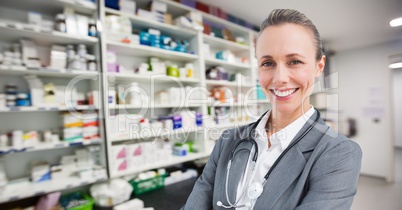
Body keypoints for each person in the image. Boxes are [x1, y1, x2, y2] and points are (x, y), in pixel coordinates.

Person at [181, 9, 362, 210]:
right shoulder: (228, 140)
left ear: (319, 66)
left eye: (294, 61)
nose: (279, 78)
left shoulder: (339, 154)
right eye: (268, 63)